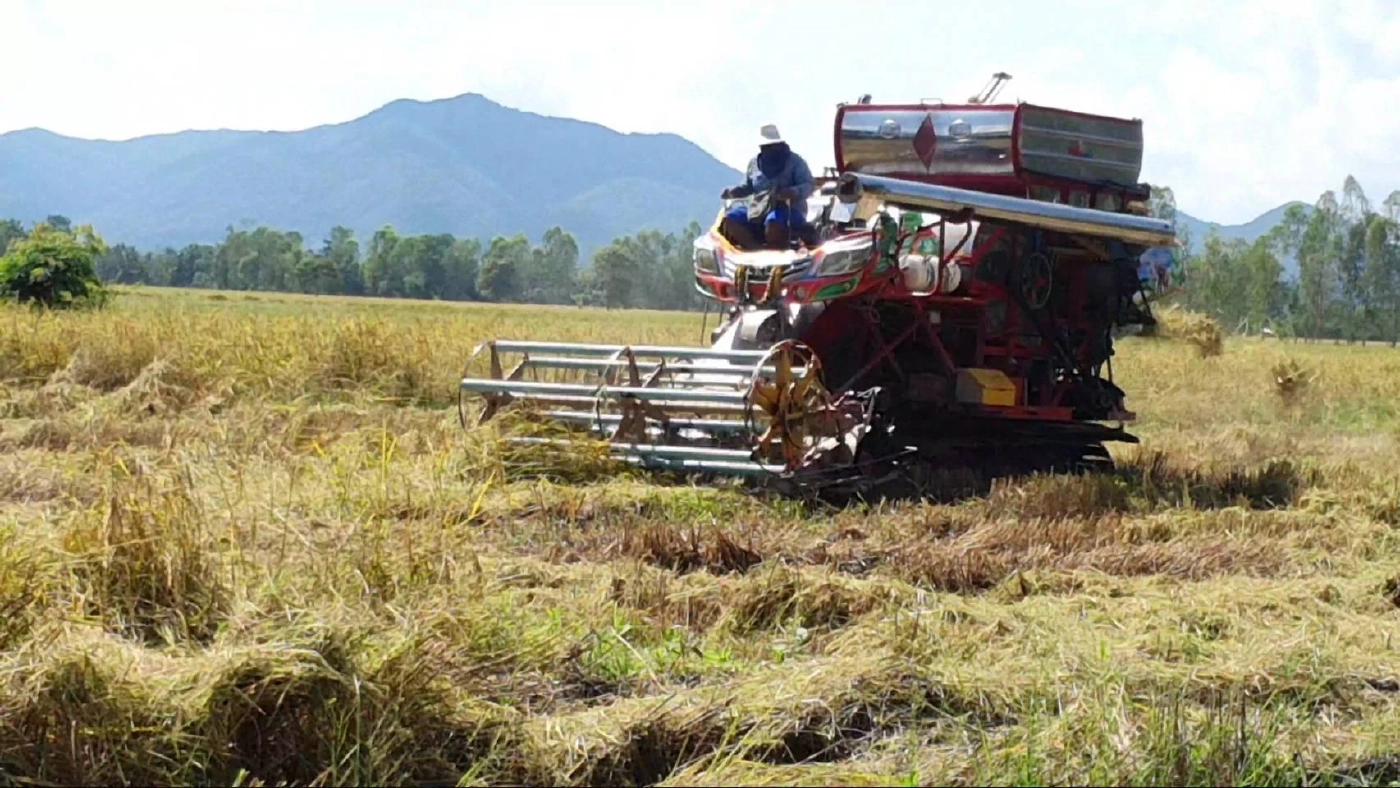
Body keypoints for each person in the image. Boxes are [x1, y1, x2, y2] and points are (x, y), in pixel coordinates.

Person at [720, 124, 815, 249]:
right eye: (765, 146)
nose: (769, 149)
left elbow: (809, 184)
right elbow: (748, 187)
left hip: (789, 210)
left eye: (772, 145)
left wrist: (793, 192)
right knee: (730, 219)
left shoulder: (795, 161)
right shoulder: (754, 163)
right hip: (759, 210)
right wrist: (733, 192)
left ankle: (775, 253)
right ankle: (755, 250)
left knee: (773, 220)